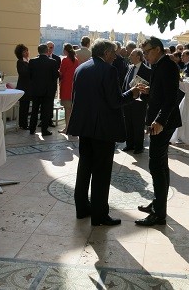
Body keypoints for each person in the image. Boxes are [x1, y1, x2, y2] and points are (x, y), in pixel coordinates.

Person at [68, 39, 140, 226]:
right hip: (103, 129)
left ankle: (82, 208)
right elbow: (115, 101)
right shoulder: (109, 70)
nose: (116, 56)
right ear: (106, 53)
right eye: (114, 53)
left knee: (84, 168)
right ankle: (99, 215)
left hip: (85, 127)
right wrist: (132, 93)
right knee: (101, 172)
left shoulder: (81, 68)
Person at [135, 37, 181, 227]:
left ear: (158, 49)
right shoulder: (159, 65)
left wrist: (159, 121)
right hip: (160, 121)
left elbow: (171, 98)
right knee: (161, 164)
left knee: (156, 166)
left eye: (147, 52)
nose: (145, 56)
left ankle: (159, 214)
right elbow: (162, 91)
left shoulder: (167, 66)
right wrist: (149, 90)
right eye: (143, 53)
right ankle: (157, 203)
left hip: (163, 123)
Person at [121, 48, 151, 154]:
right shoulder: (129, 67)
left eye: (132, 55)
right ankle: (129, 144)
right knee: (128, 123)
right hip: (128, 100)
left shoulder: (147, 70)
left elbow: (149, 87)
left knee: (138, 124)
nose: (129, 56)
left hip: (140, 101)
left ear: (138, 57)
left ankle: (139, 146)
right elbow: (125, 83)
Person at [28, 44, 59, 136]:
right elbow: (55, 76)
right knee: (46, 111)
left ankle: (32, 129)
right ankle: (44, 130)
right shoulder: (53, 62)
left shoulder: (32, 61)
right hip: (48, 91)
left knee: (34, 110)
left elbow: (30, 75)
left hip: (36, 90)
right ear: (47, 51)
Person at [59, 43, 79, 131]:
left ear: (65, 50)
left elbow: (61, 72)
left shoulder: (65, 60)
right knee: (71, 109)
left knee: (67, 109)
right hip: (73, 86)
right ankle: (72, 127)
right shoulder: (76, 60)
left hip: (66, 86)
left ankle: (67, 128)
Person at [44, 41, 62, 128]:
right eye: (47, 47)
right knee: (42, 103)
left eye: (51, 47)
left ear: (53, 48)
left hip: (52, 84)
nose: (49, 49)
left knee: (50, 103)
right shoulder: (40, 57)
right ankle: (43, 120)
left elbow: (58, 72)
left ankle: (49, 120)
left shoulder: (57, 58)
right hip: (42, 85)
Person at [14, 44, 31, 130]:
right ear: (20, 53)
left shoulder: (28, 61)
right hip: (23, 87)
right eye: (24, 51)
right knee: (23, 106)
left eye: (27, 51)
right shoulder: (20, 62)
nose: (27, 53)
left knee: (26, 105)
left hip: (28, 87)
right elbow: (23, 73)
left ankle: (24, 123)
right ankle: (23, 124)